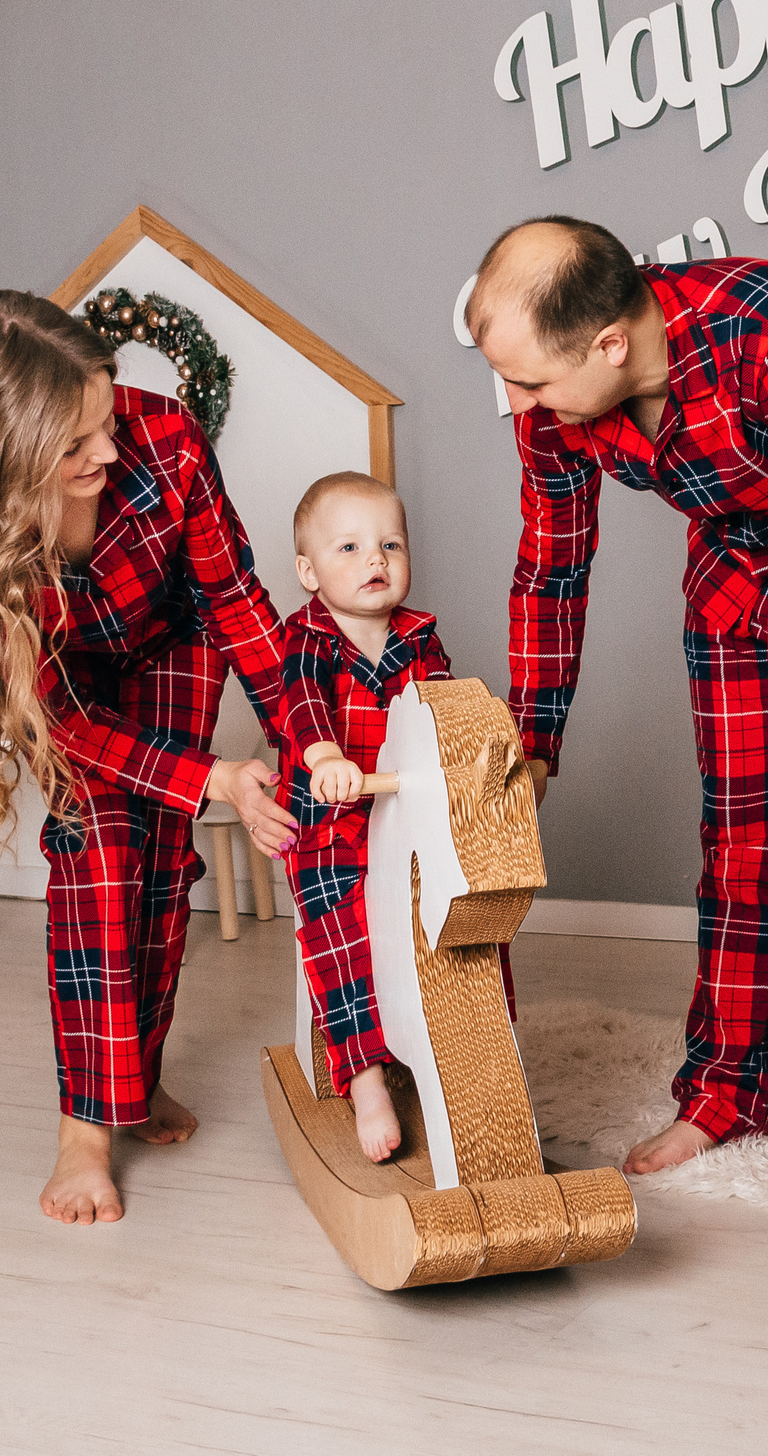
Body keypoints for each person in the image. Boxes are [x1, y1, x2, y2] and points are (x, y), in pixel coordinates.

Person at [470, 218, 768, 1233]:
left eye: (532, 383)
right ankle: (728, 1090)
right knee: (740, 839)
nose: (519, 404)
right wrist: (535, 738)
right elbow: (551, 560)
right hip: (737, 557)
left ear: (609, 344)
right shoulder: (554, 399)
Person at [0, 292, 295, 1225]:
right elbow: (62, 722)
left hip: (172, 639)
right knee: (98, 854)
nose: (108, 452)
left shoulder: (167, 441)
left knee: (161, 866)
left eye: (108, 420)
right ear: (6, 455)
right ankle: (84, 1129)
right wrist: (212, 778)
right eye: (75, 443)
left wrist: (302, 730)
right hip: (68, 691)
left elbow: (235, 598)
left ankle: (137, 1079)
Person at [273, 470, 452, 1164]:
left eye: (390, 544)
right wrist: (325, 757)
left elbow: (442, 707)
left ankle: (450, 1041)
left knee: (451, 912)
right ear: (309, 572)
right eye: (349, 548)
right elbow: (302, 706)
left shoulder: (420, 636)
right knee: (341, 928)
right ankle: (365, 1077)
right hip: (331, 823)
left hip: (404, 812)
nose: (375, 558)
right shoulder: (308, 638)